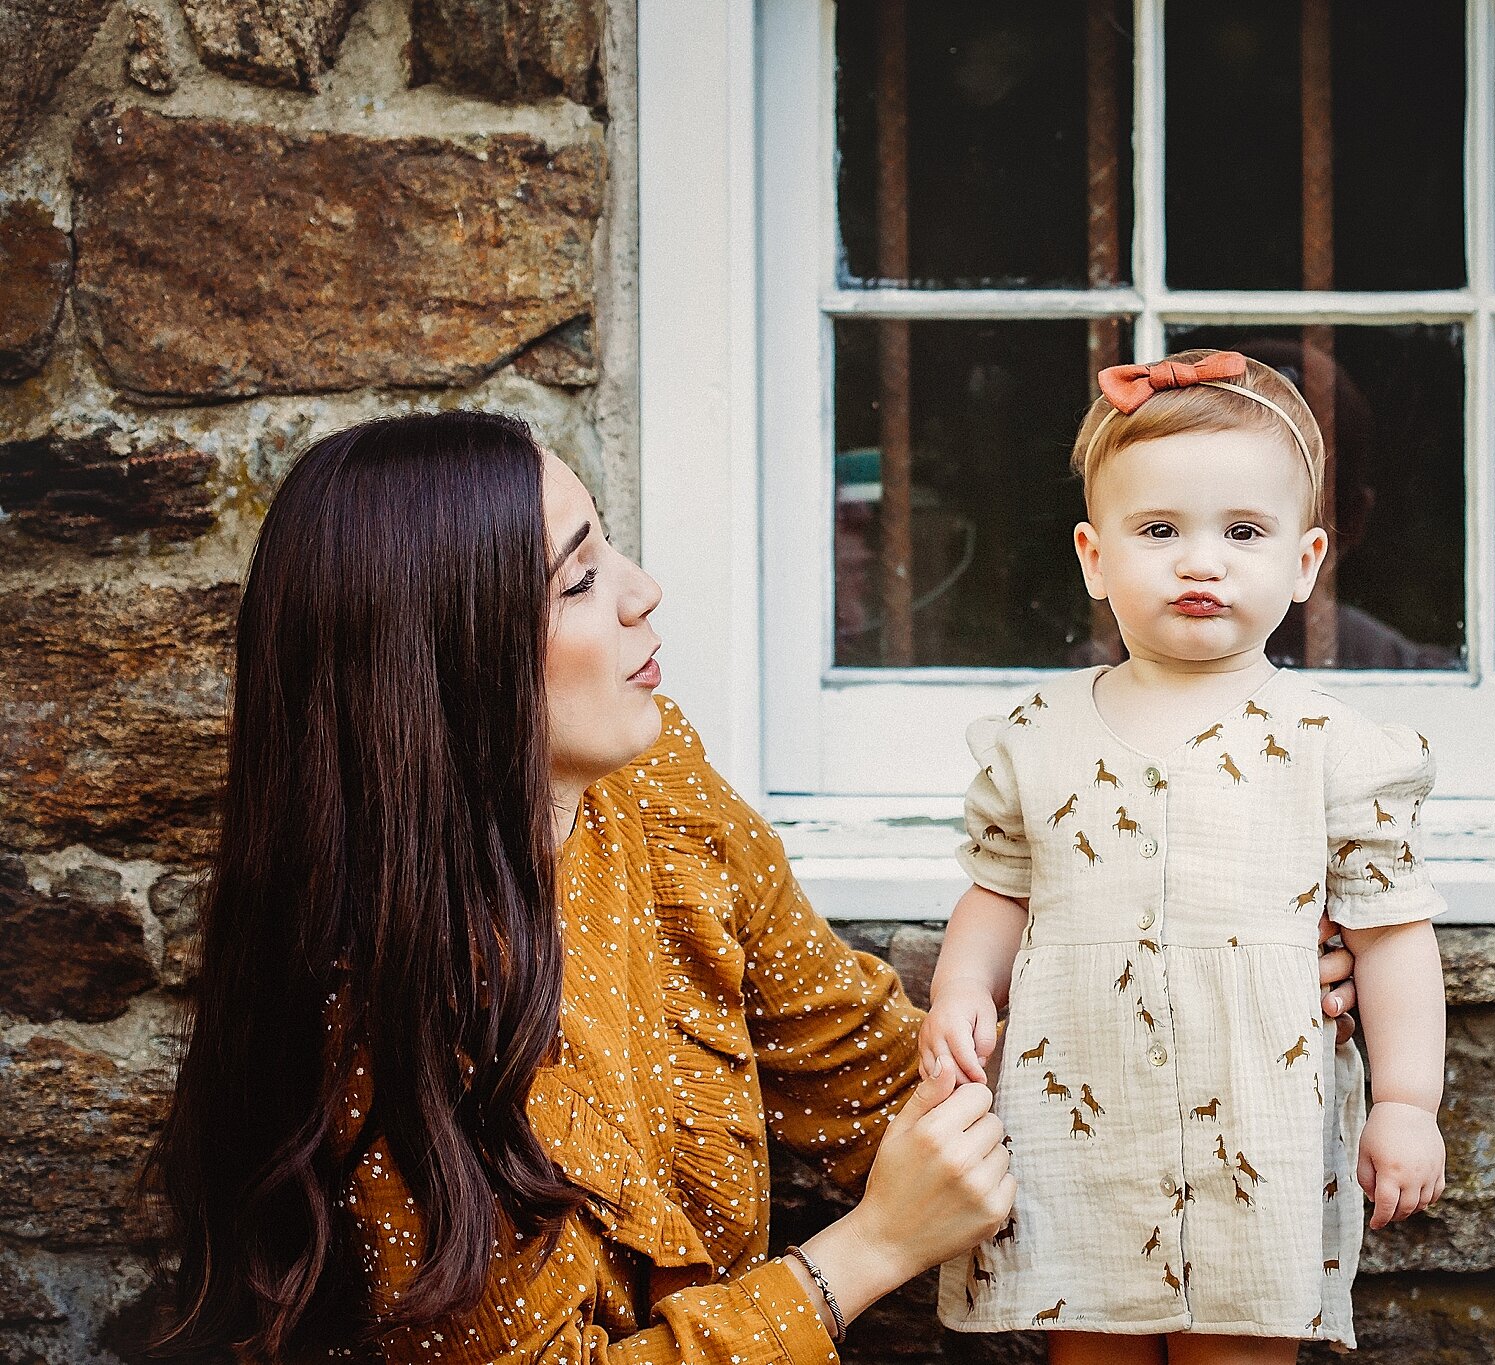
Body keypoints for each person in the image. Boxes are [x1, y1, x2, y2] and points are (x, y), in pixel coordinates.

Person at [141, 410, 1366, 1362]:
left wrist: (1179, 989)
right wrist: (869, 1252)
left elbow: (855, 1054)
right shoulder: (394, 1026)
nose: (640, 591)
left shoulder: (653, 787)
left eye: (608, 544)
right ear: (445, 664)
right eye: (576, 581)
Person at [922, 351, 1450, 1361]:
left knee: (1240, 1342)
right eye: (1158, 531)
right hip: (1079, 1109)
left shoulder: (1334, 743)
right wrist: (957, 992)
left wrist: (1405, 1101)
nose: (1199, 562)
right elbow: (997, 889)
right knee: (1091, 1340)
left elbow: (1389, 938)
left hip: (1255, 1119)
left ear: (1302, 563)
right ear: (1091, 555)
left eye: (1241, 533)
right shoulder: (1034, 736)